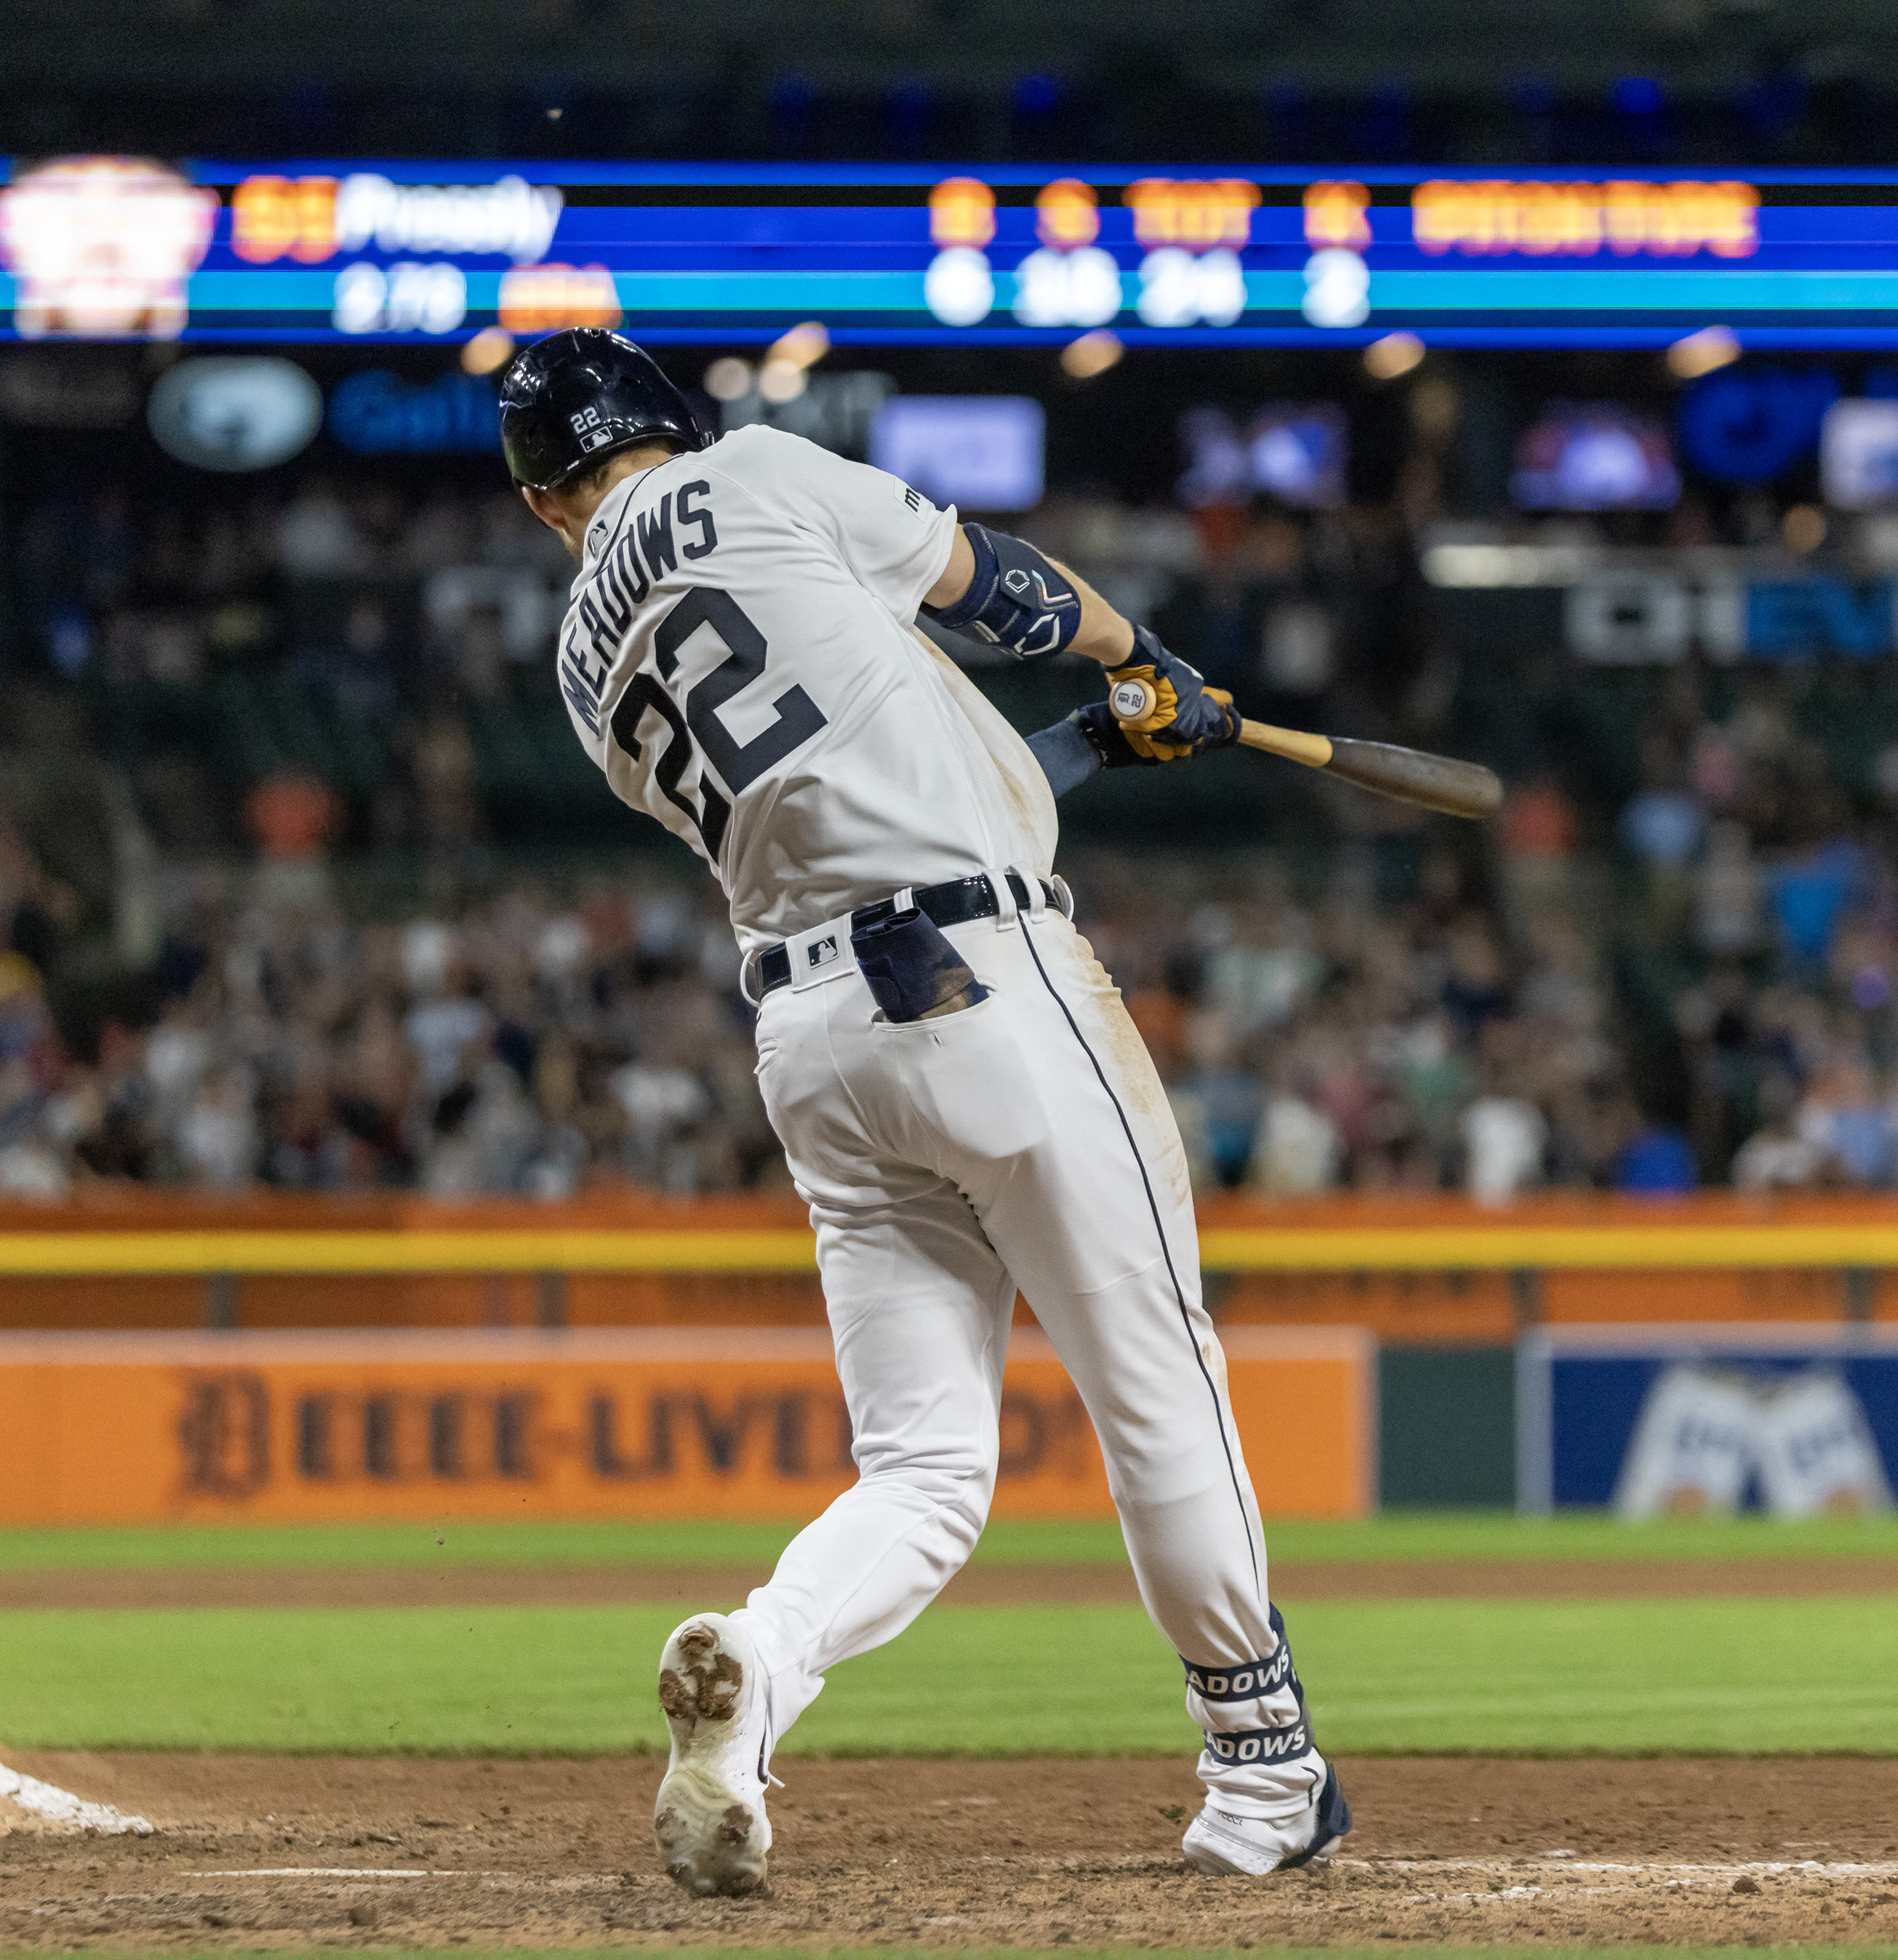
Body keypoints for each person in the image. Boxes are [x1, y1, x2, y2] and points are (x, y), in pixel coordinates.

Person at [499, 328, 1346, 1895]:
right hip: (986, 985)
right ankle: (1260, 1768)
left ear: (550, 502)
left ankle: (760, 1661)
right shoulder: (746, 468)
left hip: (817, 1039)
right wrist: (1128, 654)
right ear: (668, 425)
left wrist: (1097, 742)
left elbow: (882, 784)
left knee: (925, 1471)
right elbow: (989, 585)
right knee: (1152, 1370)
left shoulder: (577, 666)